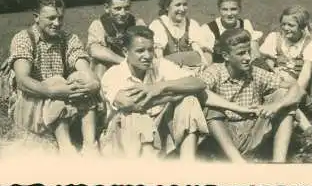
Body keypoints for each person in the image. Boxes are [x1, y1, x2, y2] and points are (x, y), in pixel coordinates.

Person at [99, 25, 256, 160]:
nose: (147, 56)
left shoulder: (160, 65)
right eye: (140, 51)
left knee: (189, 100)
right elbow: (132, 104)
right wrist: (173, 95)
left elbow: (198, 83)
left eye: (150, 50)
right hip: (125, 138)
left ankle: (187, 167)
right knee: (135, 115)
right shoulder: (114, 74)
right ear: (126, 52)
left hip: (159, 130)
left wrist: (161, 87)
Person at [9, 0, 103, 155]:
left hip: (60, 102)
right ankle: (66, 148)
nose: (57, 23)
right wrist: (53, 90)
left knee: (81, 79)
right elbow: (22, 81)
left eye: (60, 18)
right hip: (31, 103)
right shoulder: (24, 38)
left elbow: (85, 69)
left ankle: (90, 147)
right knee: (57, 81)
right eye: (51, 18)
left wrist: (93, 83)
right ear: (36, 17)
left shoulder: (68, 39)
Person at [198, 28, 302, 163]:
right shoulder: (215, 71)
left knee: (282, 95)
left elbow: (294, 87)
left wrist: (276, 106)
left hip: (253, 132)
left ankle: (279, 162)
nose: (247, 57)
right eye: (241, 53)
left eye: (249, 52)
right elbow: (198, 89)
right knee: (210, 108)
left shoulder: (256, 72)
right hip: (224, 135)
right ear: (226, 56)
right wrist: (235, 108)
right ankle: (239, 163)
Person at [259, 5, 312, 152]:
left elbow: (304, 76)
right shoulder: (275, 38)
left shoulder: (310, 44)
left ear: (302, 27)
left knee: (285, 91)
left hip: (298, 85)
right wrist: (275, 72)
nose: (286, 28)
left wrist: (294, 90)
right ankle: (310, 131)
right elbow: (268, 62)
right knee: (279, 88)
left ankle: (303, 131)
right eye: (283, 24)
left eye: (291, 25)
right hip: (275, 81)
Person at [87, 0, 145, 80]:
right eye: (117, 9)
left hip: (133, 67)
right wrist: (124, 61)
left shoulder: (137, 23)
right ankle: (99, 93)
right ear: (107, 8)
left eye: (126, 8)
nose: (122, 13)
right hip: (109, 67)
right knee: (100, 64)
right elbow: (95, 50)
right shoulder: (98, 24)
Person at [149, 0, 208, 70]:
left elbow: (198, 50)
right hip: (167, 70)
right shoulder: (158, 26)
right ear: (167, 6)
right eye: (178, 5)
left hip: (191, 69)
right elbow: (159, 59)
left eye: (185, 4)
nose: (182, 9)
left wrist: (203, 61)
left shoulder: (192, 24)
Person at [201, 0, 264, 66]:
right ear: (219, 10)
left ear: (239, 9)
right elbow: (207, 59)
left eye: (233, 9)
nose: (229, 13)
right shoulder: (209, 28)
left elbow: (255, 54)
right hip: (219, 69)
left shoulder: (245, 25)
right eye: (225, 9)